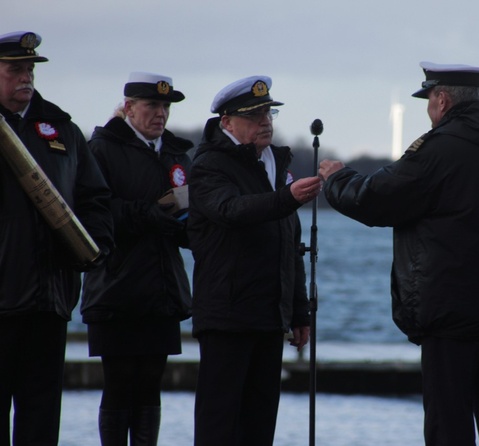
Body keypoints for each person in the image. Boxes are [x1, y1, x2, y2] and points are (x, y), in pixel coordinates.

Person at [319, 62, 479, 446]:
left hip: (449, 311)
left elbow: (377, 199)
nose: (429, 112)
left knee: (447, 421)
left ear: (442, 99)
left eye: (429, 101)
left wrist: (336, 178)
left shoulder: (440, 149)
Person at [188, 75, 321, 445]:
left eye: (268, 112)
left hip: (267, 315)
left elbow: (288, 243)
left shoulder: (275, 162)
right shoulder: (210, 165)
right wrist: (287, 198)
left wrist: (297, 312)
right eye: (254, 114)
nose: (265, 121)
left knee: (259, 425)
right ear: (227, 122)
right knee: (220, 425)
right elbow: (231, 210)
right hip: (227, 314)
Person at [0, 31, 114, 446]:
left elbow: (96, 198)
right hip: (2, 294)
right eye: (14, 69)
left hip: (50, 298)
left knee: (41, 416)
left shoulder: (62, 130)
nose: (25, 77)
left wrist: (94, 246)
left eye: (29, 69)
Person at [80, 72, 193, 445]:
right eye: (152, 106)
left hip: (162, 287)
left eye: (165, 107)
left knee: (149, 384)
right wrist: (146, 215)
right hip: (118, 287)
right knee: (120, 383)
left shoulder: (175, 153)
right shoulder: (102, 149)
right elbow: (92, 209)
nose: (160, 114)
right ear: (129, 108)